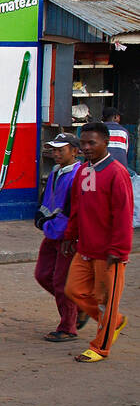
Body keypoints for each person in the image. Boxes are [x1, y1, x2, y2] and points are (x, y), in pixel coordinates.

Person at [63, 122, 133, 363]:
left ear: (106, 143)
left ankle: (100, 347)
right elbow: (77, 207)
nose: (86, 147)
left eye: (92, 143)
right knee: (73, 290)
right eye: (83, 143)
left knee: (106, 300)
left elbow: (124, 214)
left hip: (109, 252)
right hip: (85, 248)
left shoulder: (117, 173)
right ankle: (115, 321)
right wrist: (70, 235)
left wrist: (119, 250)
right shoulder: (83, 171)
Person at [34, 133, 82, 343]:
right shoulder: (55, 172)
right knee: (43, 275)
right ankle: (77, 308)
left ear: (74, 151)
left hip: (66, 235)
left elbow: (75, 210)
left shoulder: (78, 175)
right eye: (54, 150)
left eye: (60, 150)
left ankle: (68, 326)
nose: (56, 153)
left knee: (61, 282)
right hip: (51, 231)